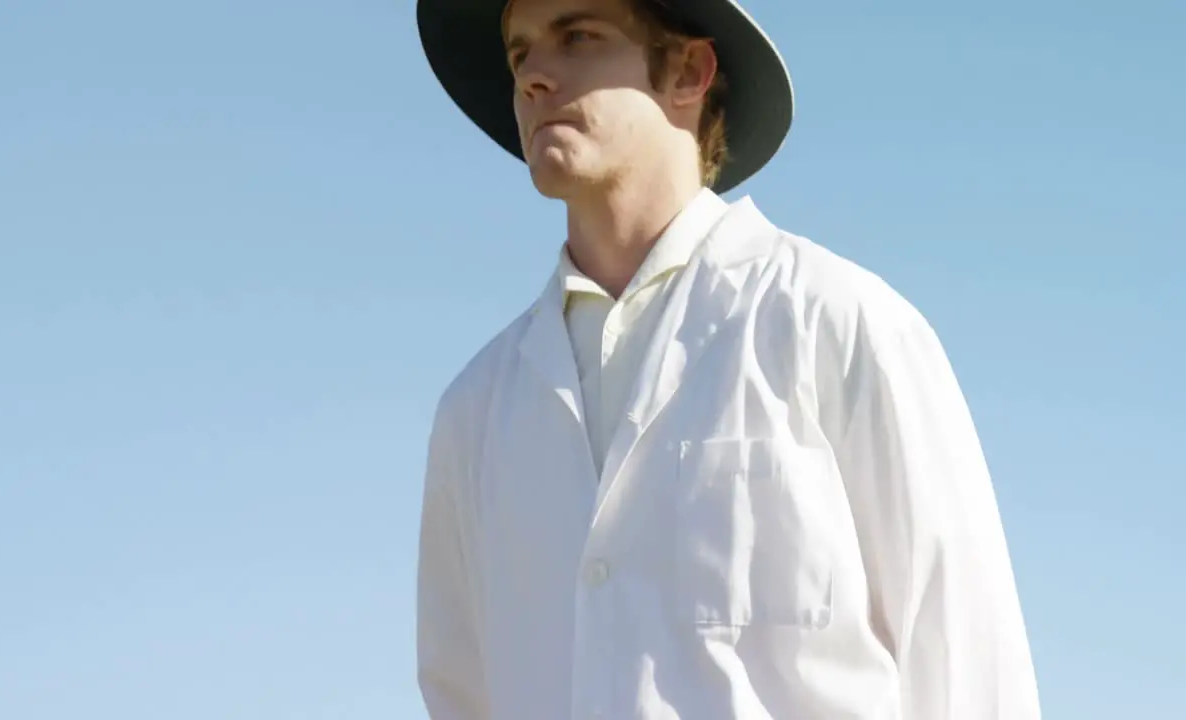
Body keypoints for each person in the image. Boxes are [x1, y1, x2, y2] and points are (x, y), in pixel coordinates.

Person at [413, 0, 1041, 717]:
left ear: (689, 71)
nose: (533, 77)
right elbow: (460, 694)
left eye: (578, 36)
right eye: (519, 53)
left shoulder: (837, 323)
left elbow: (966, 664)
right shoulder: (476, 410)